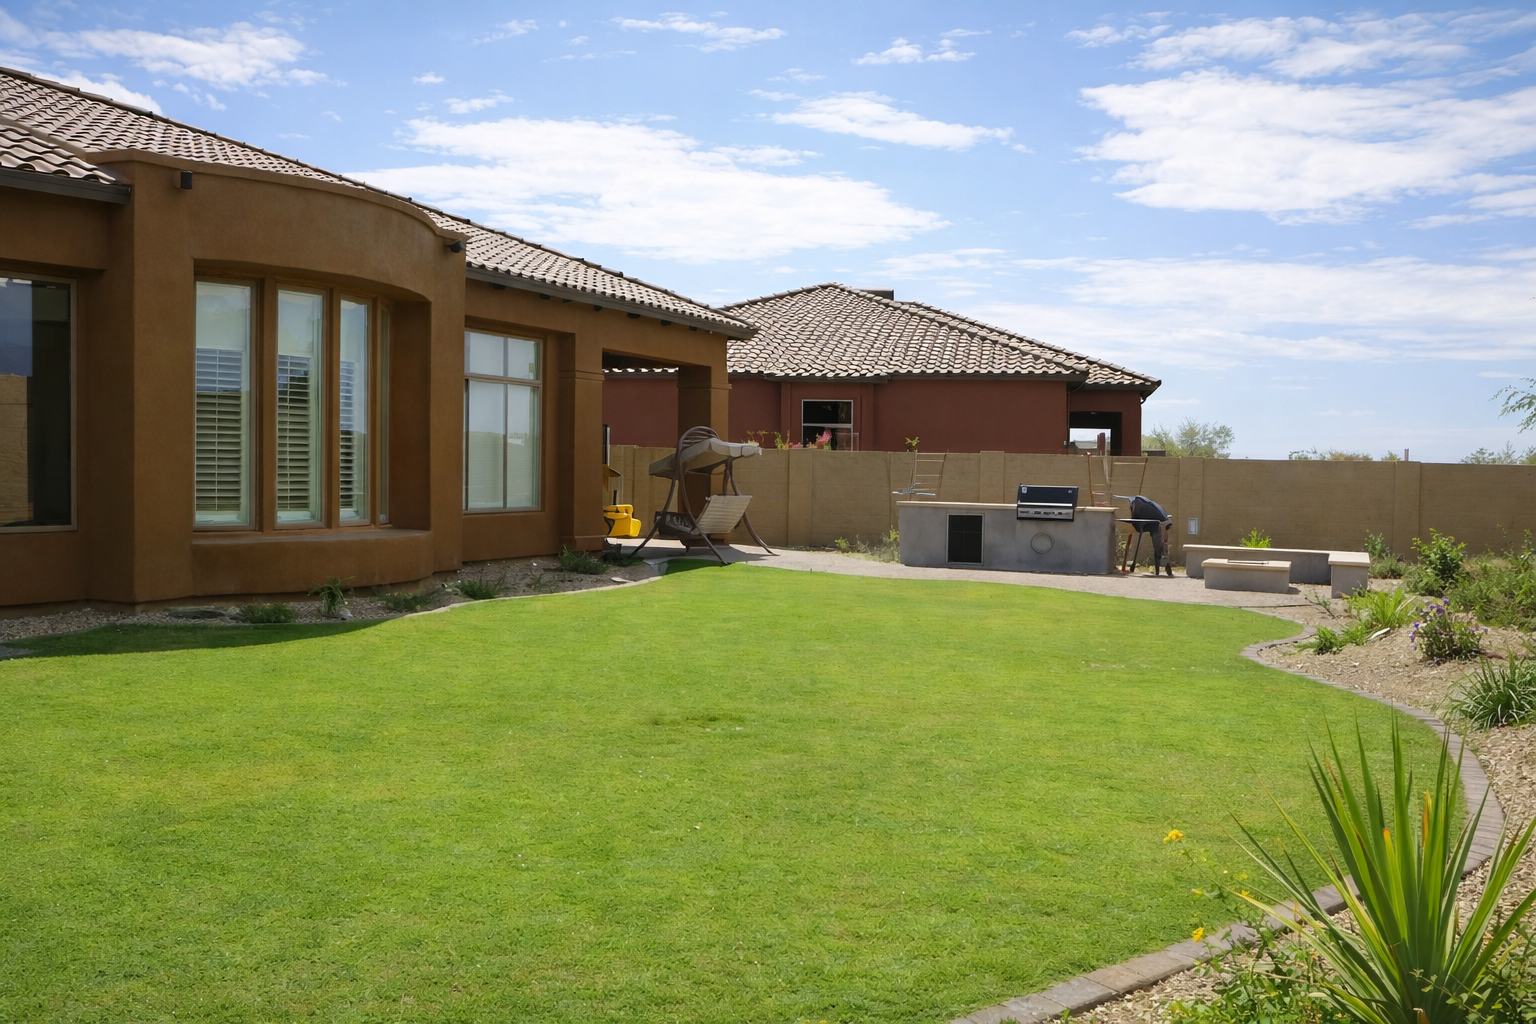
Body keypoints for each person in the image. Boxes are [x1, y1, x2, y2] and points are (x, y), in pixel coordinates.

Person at [1128, 495, 1173, 576]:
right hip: (1154, 524)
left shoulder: (1143, 509)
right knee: (1160, 548)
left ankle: (1160, 567)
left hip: (1156, 526)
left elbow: (1136, 523)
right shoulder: (1146, 507)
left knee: (1159, 548)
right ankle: (1160, 568)